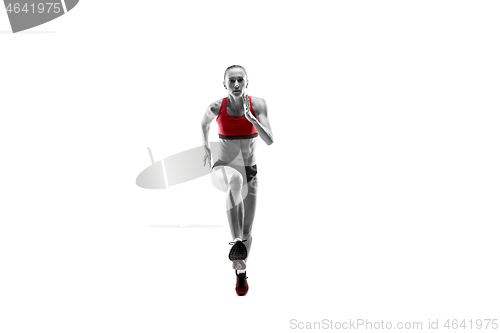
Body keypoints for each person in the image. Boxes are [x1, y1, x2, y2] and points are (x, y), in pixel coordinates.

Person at [201, 65, 273, 296]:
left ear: (246, 82)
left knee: (248, 230)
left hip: (250, 171)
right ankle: (236, 243)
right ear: (225, 84)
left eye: (240, 80)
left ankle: (240, 273)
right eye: (231, 81)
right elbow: (203, 123)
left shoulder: (258, 105)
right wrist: (205, 148)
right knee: (235, 180)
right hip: (224, 169)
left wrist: (252, 118)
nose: (236, 84)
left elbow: (270, 140)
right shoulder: (216, 107)